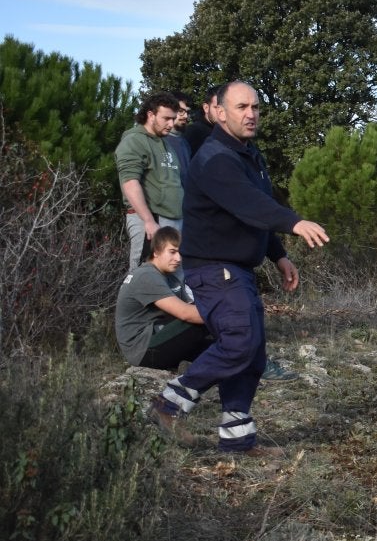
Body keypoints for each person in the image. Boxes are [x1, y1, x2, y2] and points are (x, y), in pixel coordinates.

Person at [147, 81, 329, 455]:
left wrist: (278, 254)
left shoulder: (248, 153)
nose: (251, 114)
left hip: (237, 268)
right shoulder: (215, 158)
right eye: (242, 107)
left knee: (252, 355)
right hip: (216, 268)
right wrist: (293, 222)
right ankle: (168, 404)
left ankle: (238, 440)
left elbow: (258, 206)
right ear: (220, 112)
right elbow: (248, 203)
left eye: (255, 107)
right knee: (239, 343)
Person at [114, 226, 212, 371]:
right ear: (156, 252)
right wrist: (227, 314)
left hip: (157, 336)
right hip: (143, 349)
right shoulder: (146, 276)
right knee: (203, 320)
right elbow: (186, 313)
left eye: (181, 253)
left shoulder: (168, 277)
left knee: (217, 346)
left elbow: (190, 306)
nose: (178, 258)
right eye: (172, 252)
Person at [115, 91, 184, 270]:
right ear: (150, 114)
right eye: (166, 118)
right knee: (143, 275)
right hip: (151, 220)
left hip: (172, 220)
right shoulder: (134, 141)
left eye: (173, 118)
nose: (171, 124)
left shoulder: (165, 142)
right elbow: (130, 183)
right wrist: (148, 221)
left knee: (169, 278)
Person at [167, 91, 194, 183]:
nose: (186, 116)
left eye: (188, 112)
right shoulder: (156, 140)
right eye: (181, 111)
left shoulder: (185, 143)